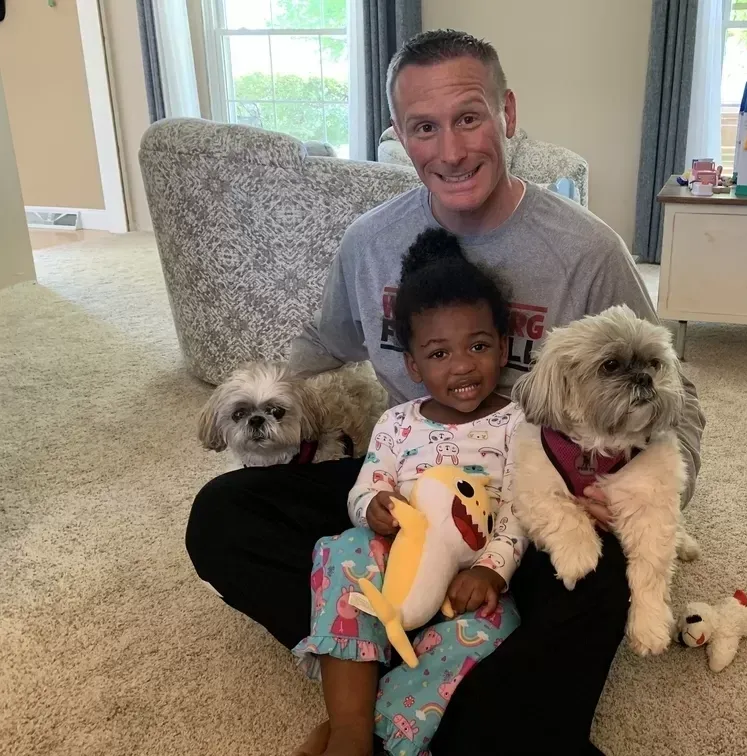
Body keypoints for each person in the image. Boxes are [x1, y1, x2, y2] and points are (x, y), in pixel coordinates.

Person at [185, 28, 706, 756]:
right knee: (221, 517)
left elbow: (678, 397)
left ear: (508, 114)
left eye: (469, 118)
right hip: (408, 486)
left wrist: (644, 496)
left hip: (537, 498)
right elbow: (321, 345)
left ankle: (410, 691)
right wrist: (253, 404)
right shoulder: (369, 242)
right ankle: (391, 673)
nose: (452, 151)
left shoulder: (587, 253)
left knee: (605, 578)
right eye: (425, 128)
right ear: (400, 136)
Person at [292, 227, 526, 756]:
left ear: (504, 347)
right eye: (440, 354)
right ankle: (349, 730)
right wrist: (371, 509)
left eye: (479, 346)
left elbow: (520, 510)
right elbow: (366, 487)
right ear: (414, 366)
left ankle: (378, 729)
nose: (463, 364)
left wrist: (491, 569)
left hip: (465, 577)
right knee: (341, 549)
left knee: (497, 626)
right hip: (394, 562)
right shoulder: (398, 423)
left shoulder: (518, 423)